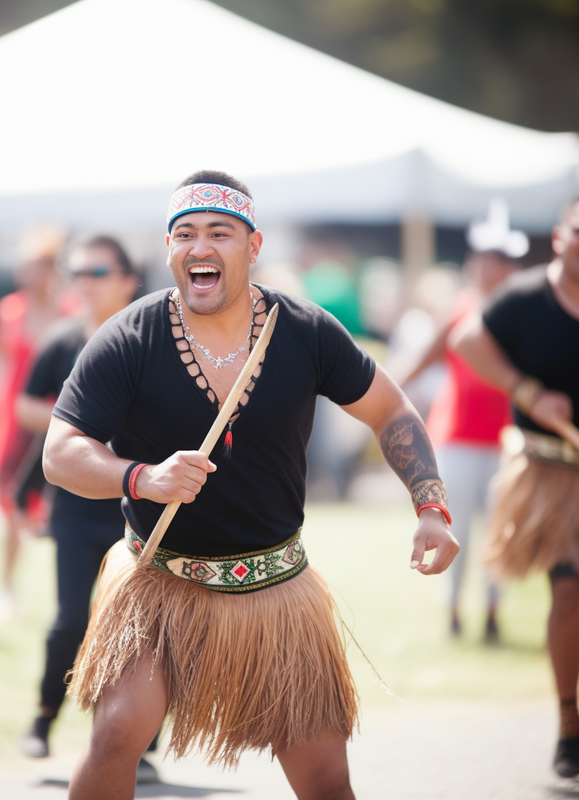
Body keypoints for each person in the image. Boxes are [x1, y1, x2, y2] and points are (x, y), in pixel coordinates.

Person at [42, 170, 459, 800]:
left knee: (323, 775)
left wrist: (431, 506)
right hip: (158, 581)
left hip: (276, 586)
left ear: (253, 246)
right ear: (169, 251)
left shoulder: (306, 330)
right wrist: (142, 477)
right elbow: (60, 452)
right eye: (185, 234)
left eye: (220, 232)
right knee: (118, 731)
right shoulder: (129, 337)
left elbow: (391, 411)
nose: (200, 247)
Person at [453, 196, 579, 778]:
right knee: (569, 592)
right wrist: (526, 392)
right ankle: (569, 720)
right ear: (559, 238)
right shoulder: (525, 297)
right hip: (556, 475)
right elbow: (467, 340)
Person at [16, 235, 159, 780]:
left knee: (146, 626)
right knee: (73, 617)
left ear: (128, 279)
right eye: (77, 272)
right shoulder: (61, 341)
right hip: (76, 503)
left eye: (98, 271)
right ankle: (42, 719)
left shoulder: (160, 339)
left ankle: (139, 746)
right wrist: (82, 417)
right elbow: (26, 408)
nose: (85, 281)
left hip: (143, 501)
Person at [400, 249, 516, 641]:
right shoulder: (458, 309)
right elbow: (421, 360)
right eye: (483, 258)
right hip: (456, 435)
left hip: (505, 437)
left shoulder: (522, 311)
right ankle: (452, 610)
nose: (490, 267)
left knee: (500, 529)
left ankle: (493, 610)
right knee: (455, 524)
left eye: (499, 259)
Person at [0, 227, 66, 620]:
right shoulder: (10, 310)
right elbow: (3, 360)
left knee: (55, 502)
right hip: (14, 413)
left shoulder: (69, 309)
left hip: (55, 411)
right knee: (11, 499)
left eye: (39, 265)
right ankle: (6, 585)